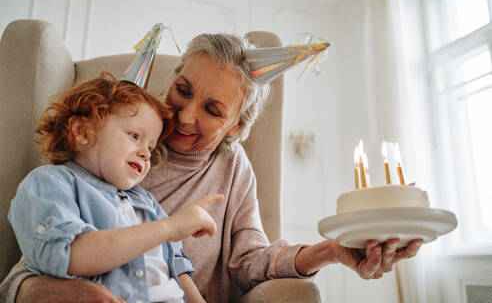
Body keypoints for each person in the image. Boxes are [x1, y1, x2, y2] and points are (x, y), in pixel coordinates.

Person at [0, 34, 422, 303]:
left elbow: (246, 260)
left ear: (235, 124)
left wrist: (329, 251)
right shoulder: (107, 143)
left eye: (212, 110)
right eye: (182, 91)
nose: (183, 118)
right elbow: (48, 247)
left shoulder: (231, 168)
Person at [6, 73, 222, 303]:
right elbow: (69, 254)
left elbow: (176, 269)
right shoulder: (49, 183)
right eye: (134, 136)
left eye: (151, 146)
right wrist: (169, 227)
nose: (145, 154)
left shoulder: (146, 202)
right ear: (82, 132)